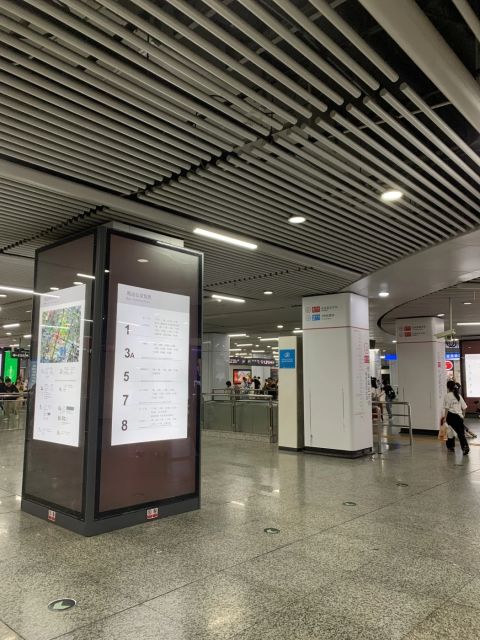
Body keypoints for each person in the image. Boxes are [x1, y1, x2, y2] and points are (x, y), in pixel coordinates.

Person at [443, 379, 469, 455]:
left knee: (449, 431)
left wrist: (445, 418)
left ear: (448, 387)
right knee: (461, 433)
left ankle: (451, 447)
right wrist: (463, 416)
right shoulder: (458, 395)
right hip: (459, 417)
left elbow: (447, 408)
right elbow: (465, 407)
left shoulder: (447, 395)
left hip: (451, 416)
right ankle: (465, 447)